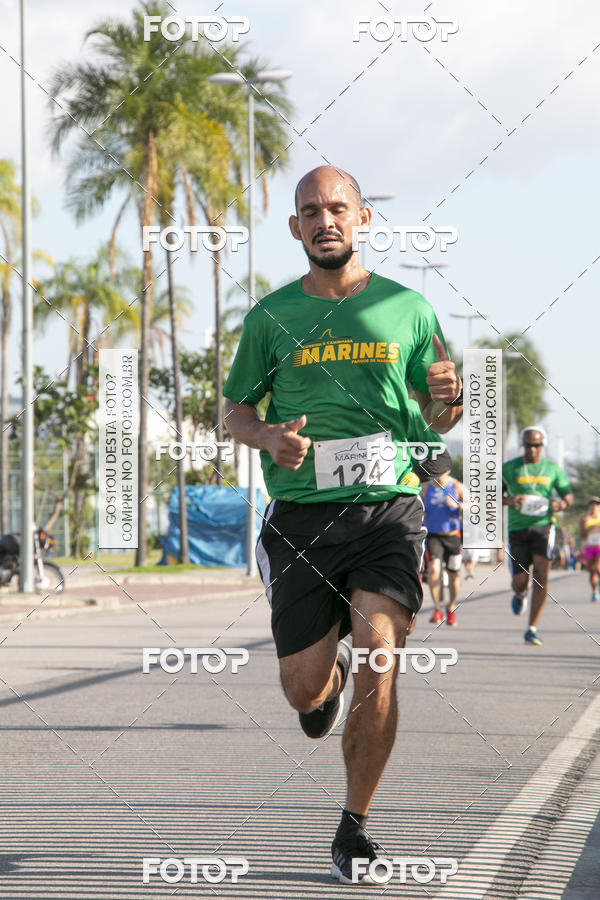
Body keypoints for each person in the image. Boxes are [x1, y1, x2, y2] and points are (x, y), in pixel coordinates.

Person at [223, 166, 463, 884]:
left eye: (338, 208)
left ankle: (354, 826)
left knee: (380, 653)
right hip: (301, 516)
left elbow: (438, 414)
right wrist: (268, 439)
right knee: (302, 688)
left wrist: (450, 398)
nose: (325, 220)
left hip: (388, 510)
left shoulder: (408, 308)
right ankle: (325, 689)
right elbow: (236, 409)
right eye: (310, 211)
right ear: (295, 228)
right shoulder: (270, 318)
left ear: (361, 220)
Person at [502, 426, 573, 645]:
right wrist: (510, 501)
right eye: (528, 445)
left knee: (541, 576)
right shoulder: (510, 468)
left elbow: (568, 495)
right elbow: (493, 494)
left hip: (544, 526)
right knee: (520, 580)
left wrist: (561, 504)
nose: (532, 449)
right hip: (518, 529)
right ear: (522, 445)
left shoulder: (552, 469)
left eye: (536, 445)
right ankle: (520, 594)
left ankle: (532, 628)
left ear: (543, 446)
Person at [422, 471, 464, 625]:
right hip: (433, 536)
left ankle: (451, 607)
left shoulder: (456, 485)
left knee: (454, 575)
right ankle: (437, 608)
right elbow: (416, 504)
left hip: (453, 537)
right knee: (434, 570)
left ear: (448, 470)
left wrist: (458, 504)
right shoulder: (426, 487)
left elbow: (474, 506)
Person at [580, 497, 600, 602]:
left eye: (597, 504)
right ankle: (595, 592)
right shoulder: (585, 519)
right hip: (589, 547)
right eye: (592, 504)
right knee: (592, 572)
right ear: (589, 506)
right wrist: (588, 529)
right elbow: (582, 535)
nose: (594, 507)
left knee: (598, 568)